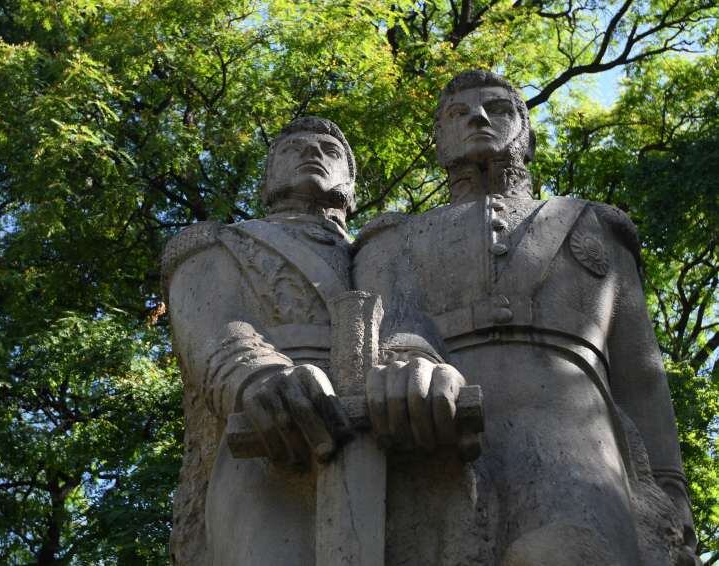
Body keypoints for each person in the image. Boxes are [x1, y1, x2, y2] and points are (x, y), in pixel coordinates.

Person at [354, 70, 697, 565]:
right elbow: (383, 331)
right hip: (436, 444)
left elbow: (641, 373)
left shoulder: (594, 224)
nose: (478, 116)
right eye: (458, 113)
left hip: (578, 453)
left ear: (528, 135)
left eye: (498, 108)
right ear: (438, 142)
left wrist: (669, 484)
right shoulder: (390, 239)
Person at [163, 117, 357, 565]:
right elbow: (214, 328)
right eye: (294, 150)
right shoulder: (219, 243)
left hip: (378, 438)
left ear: (350, 182)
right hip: (265, 437)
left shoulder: (384, 249)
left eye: (329, 151)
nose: (312, 154)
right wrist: (261, 379)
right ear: (268, 179)